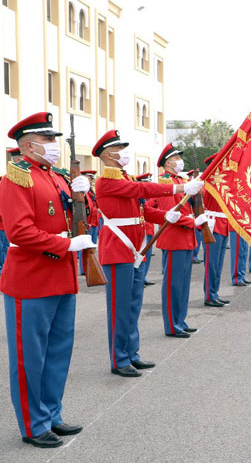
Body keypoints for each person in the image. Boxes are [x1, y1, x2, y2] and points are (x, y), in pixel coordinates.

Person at [0, 112, 95, 448]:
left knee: (57, 353)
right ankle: (33, 423)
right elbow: (20, 231)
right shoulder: (18, 177)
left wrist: (85, 195)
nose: (55, 145)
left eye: (55, 139)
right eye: (48, 140)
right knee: (30, 357)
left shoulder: (56, 176)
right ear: (28, 145)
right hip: (32, 280)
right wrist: (66, 245)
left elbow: (82, 218)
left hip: (61, 277)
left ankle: (52, 413)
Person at [94, 131, 204, 376]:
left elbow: (140, 211)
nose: (124, 153)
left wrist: (164, 216)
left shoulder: (123, 178)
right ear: (109, 155)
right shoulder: (108, 180)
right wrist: (181, 186)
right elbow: (142, 190)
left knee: (133, 306)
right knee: (119, 308)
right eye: (120, 149)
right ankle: (119, 359)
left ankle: (132, 353)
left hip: (135, 248)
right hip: (118, 248)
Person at [148, 144, 212, 328]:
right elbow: (171, 213)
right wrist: (193, 222)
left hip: (185, 238)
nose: (179, 161)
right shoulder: (166, 182)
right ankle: (172, 324)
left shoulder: (179, 181)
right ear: (167, 162)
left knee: (183, 285)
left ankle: (180, 320)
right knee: (173, 285)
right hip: (174, 237)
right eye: (176, 158)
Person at [200, 153, 231, 306]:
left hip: (223, 223)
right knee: (211, 263)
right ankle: (209, 295)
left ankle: (214, 292)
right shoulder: (208, 184)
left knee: (218, 263)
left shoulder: (222, 182)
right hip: (213, 224)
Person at [135, 173, 156, 287]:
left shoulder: (148, 195)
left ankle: (144, 276)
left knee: (147, 256)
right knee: (142, 255)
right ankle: (140, 278)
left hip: (150, 228)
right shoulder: (140, 195)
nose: (148, 184)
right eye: (146, 182)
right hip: (143, 228)